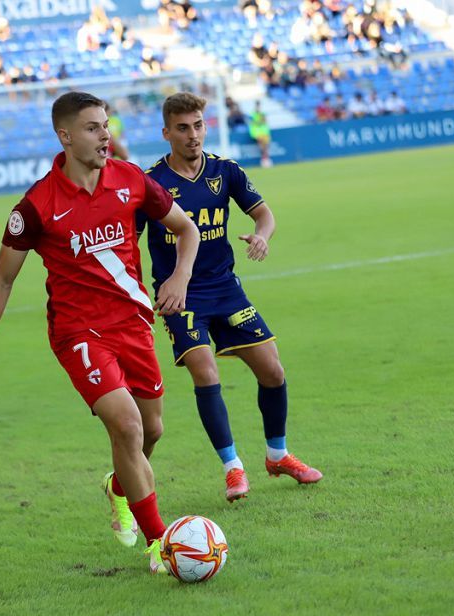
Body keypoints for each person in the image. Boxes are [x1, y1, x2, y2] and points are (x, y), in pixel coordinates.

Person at [0, 91, 200, 574]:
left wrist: (179, 277)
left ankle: (119, 487)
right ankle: (160, 544)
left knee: (150, 430)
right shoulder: (35, 206)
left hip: (133, 323)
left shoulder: (132, 181)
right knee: (128, 426)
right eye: (92, 128)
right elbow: (3, 279)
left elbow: (186, 229)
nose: (104, 134)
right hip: (79, 333)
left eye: (106, 125)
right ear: (65, 136)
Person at [136, 92, 322, 503]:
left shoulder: (226, 171)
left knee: (273, 370)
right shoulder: (151, 184)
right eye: (183, 128)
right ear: (166, 132)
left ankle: (278, 456)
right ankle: (233, 468)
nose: (193, 135)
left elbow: (265, 214)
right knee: (206, 372)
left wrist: (262, 235)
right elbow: (126, 242)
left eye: (199, 125)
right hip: (179, 295)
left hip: (226, 288)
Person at [248, 101, 272, 168]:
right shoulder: (253, 114)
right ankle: (264, 160)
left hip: (264, 132)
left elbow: (264, 121)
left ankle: (266, 160)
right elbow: (253, 123)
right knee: (262, 147)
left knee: (266, 147)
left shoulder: (262, 113)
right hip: (257, 133)